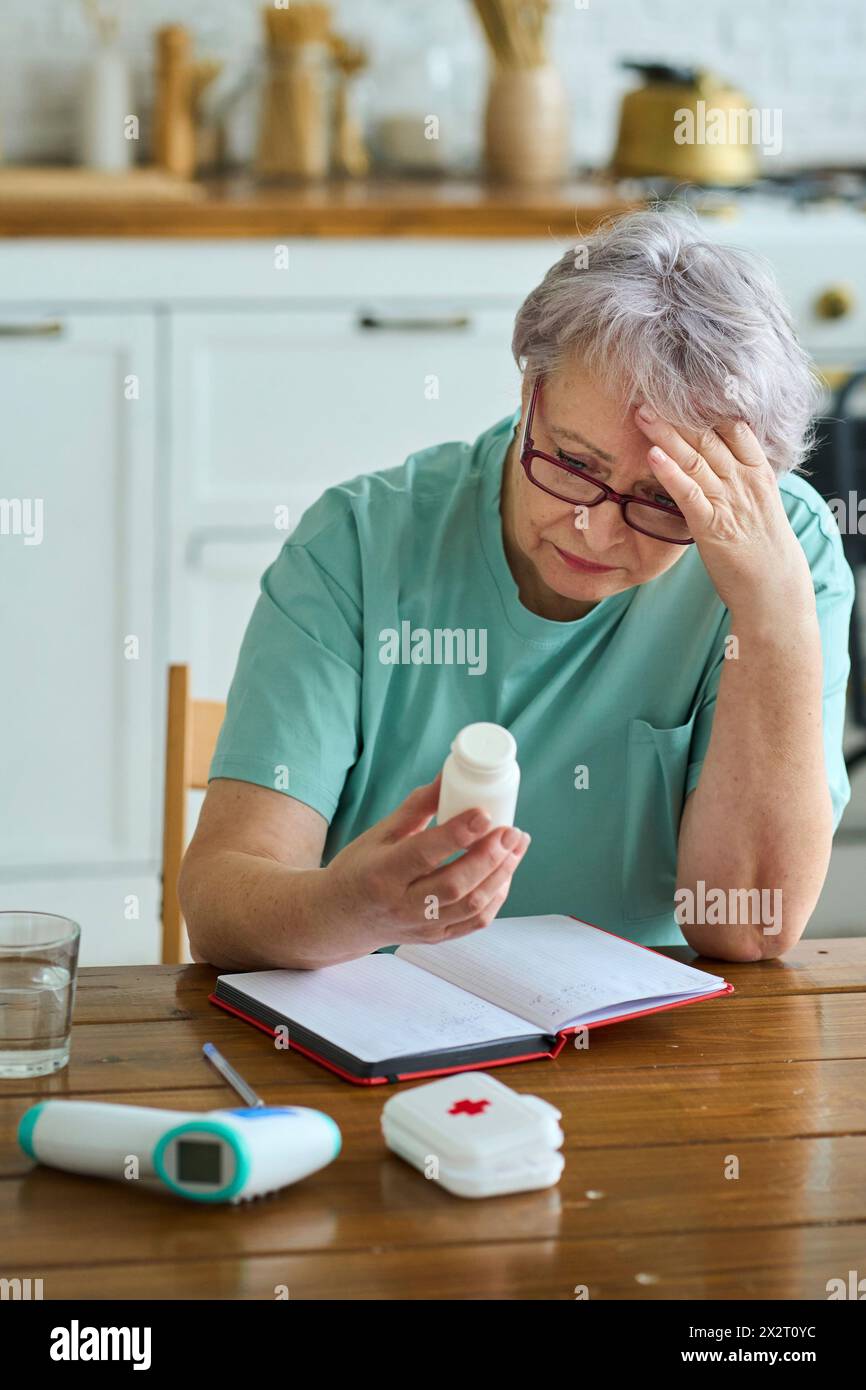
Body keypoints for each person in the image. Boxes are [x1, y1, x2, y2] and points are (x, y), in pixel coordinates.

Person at [179, 206, 853, 969]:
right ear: (529, 391)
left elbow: (747, 929)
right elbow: (219, 909)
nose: (594, 531)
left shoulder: (782, 557)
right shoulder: (358, 546)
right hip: (378, 1033)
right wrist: (355, 907)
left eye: (664, 501)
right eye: (573, 464)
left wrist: (773, 615)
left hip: (648, 1055)